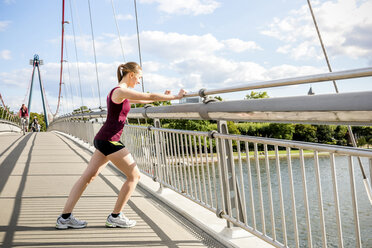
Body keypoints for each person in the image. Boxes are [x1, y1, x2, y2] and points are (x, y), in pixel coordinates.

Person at [56, 62, 186, 229]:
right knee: (135, 176)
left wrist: (164, 96)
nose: (139, 81)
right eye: (139, 78)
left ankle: (65, 217)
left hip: (104, 139)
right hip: (110, 140)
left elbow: (144, 99)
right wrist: (176, 97)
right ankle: (115, 216)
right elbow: (149, 96)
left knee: (88, 177)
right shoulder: (121, 91)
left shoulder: (117, 92)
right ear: (131, 74)